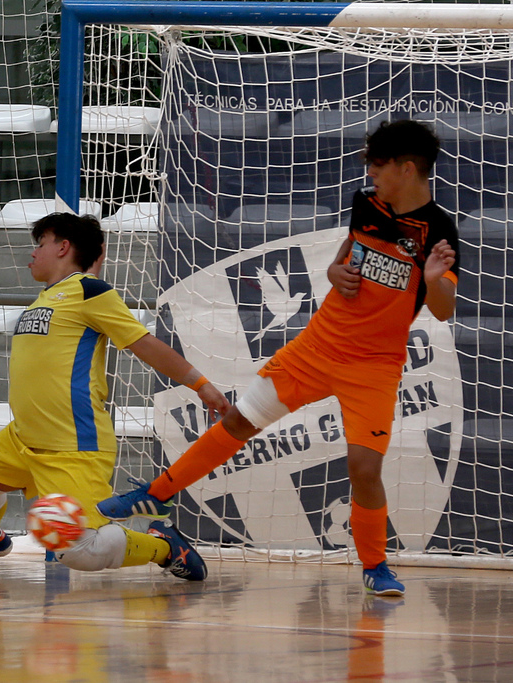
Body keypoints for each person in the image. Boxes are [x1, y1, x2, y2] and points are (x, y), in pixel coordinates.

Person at [98, 119, 459, 597]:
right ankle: (154, 495)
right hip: (317, 347)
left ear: (406, 168)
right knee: (237, 424)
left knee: (364, 469)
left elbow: (442, 308)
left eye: (377, 165)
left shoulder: (439, 230)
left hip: (374, 366)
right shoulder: (367, 204)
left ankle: (375, 566)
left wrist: (433, 277)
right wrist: (334, 270)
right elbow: (348, 256)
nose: (369, 173)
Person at [0, 212, 231, 579]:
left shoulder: (91, 291)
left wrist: (200, 384)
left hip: (72, 444)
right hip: (24, 437)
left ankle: (165, 547)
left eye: (40, 244)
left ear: (63, 247)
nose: (33, 252)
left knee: (79, 552)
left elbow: (145, 344)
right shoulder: (49, 297)